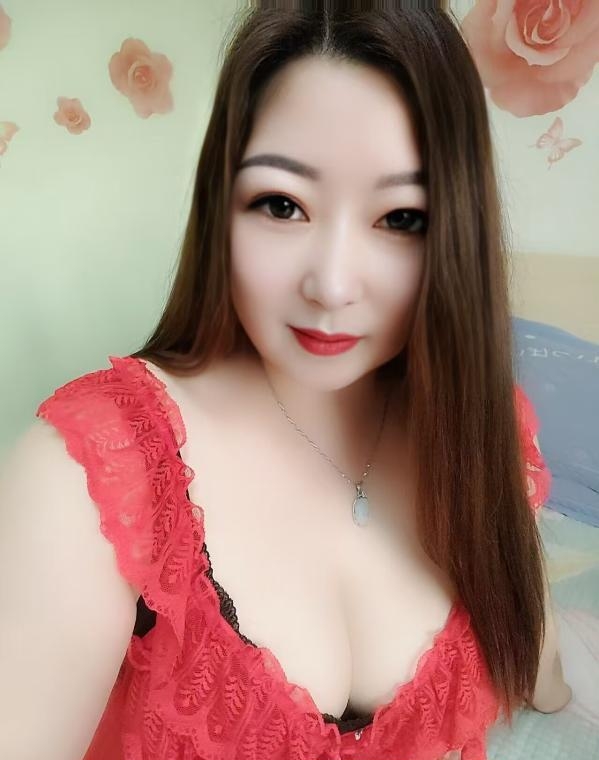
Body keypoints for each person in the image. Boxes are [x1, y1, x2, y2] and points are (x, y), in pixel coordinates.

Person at [0, 3, 572, 759]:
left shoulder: (481, 429)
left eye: (401, 218)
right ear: (221, 206)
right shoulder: (87, 476)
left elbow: (539, 669)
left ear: (456, 233)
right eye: (282, 205)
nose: (331, 285)